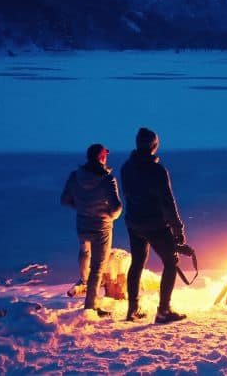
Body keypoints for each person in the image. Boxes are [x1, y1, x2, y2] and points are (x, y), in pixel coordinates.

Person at [120, 127, 187, 324]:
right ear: (153, 146)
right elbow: (167, 201)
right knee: (171, 262)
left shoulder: (126, 168)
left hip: (134, 223)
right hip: (155, 225)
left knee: (137, 263)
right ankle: (164, 311)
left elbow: (129, 196)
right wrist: (177, 229)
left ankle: (132, 308)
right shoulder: (157, 171)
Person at [61, 143, 122, 317]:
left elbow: (65, 200)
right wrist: (110, 216)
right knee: (98, 267)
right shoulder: (107, 179)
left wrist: (81, 207)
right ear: (102, 158)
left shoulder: (75, 176)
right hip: (101, 227)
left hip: (82, 224)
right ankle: (91, 307)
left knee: (84, 251)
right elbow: (117, 207)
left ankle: (83, 279)